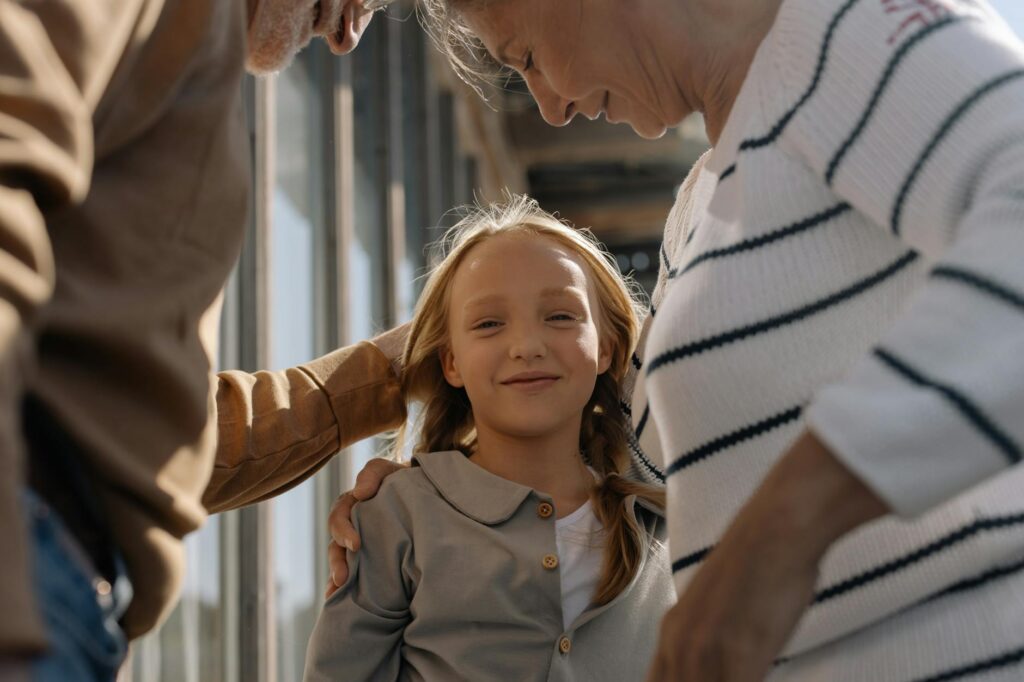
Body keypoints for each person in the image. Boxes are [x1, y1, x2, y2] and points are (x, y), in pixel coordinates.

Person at [331, 0, 1024, 679]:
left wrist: (787, 528)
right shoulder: (697, 207)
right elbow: (671, 469)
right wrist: (445, 497)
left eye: (531, 59)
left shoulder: (851, 27)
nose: (550, 108)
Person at [0, 0, 411, 679]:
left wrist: (391, 373)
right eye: (359, 1)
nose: (346, 37)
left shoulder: (187, 39)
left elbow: (146, 429)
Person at [305, 196, 673, 681]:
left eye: (561, 316)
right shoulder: (396, 515)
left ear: (605, 347)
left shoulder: (663, 519)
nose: (526, 346)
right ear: (450, 362)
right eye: (488, 324)